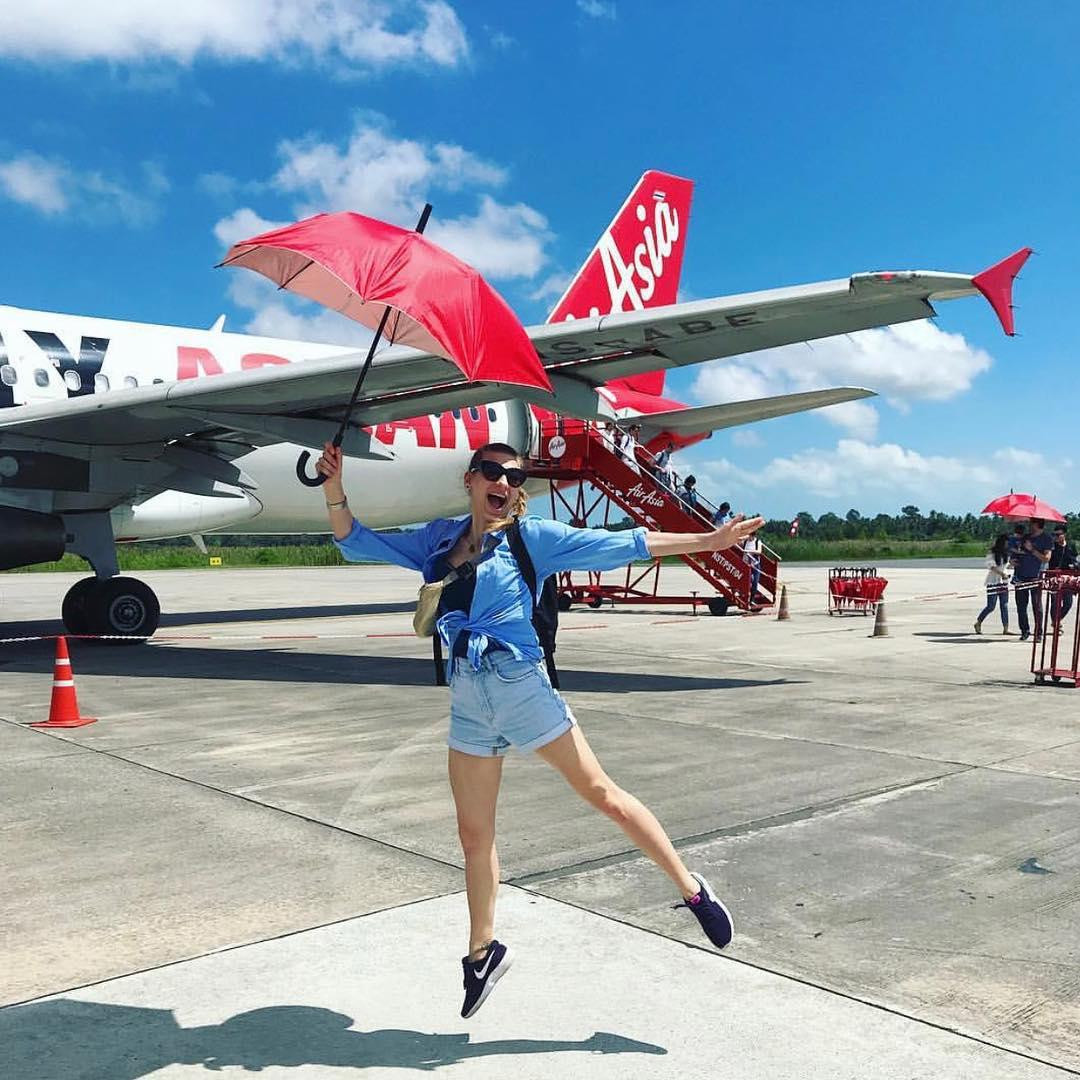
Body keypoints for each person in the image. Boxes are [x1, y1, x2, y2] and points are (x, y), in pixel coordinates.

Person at [316, 440, 764, 1019]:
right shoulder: (438, 540)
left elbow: (625, 543)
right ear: (470, 479)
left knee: (602, 794)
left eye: (515, 476)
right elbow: (355, 540)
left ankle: (692, 890)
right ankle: (482, 953)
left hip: (522, 687)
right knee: (474, 835)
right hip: (468, 695)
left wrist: (707, 542)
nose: (504, 483)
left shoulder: (533, 538)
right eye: (493, 472)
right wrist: (334, 485)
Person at [1013, 517, 1053, 641]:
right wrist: (1013, 560)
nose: (1029, 525)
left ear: (1037, 524)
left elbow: (1046, 558)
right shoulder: (1025, 537)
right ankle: (1024, 631)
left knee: (1037, 605)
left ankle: (1038, 633)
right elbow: (1017, 552)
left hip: (1036, 576)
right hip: (1020, 575)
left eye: (1031, 523)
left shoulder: (1046, 539)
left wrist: (1032, 549)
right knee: (1021, 606)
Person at [974, 533, 1012, 635]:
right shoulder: (992, 553)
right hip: (993, 581)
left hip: (1003, 582)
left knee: (1004, 605)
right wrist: (1001, 574)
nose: (1007, 545)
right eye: (1006, 543)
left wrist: (1011, 565)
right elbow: (991, 566)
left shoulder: (1007, 553)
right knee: (991, 606)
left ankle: (1006, 628)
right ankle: (978, 622)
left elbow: (1006, 565)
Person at [1049, 523, 1078, 626]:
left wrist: (1074, 565)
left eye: (1058, 535)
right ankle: (1055, 622)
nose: (1056, 537)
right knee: (1055, 602)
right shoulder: (1052, 547)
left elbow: (1075, 559)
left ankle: (1057, 619)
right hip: (1055, 578)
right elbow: (1049, 560)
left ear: (1064, 534)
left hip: (1068, 578)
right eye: (1054, 535)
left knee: (1068, 603)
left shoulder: (1071, 546)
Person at [741, 523, 762, 605]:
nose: (749, 537)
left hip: (755, 565)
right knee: (747, 581)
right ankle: (746, 596)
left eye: (750, 535)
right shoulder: (745, 542)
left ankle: (752, 599)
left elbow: (759, 551)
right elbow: (739, 544)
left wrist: (749, 551)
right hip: (746, 564)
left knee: (755, 582)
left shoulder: (757, 542)